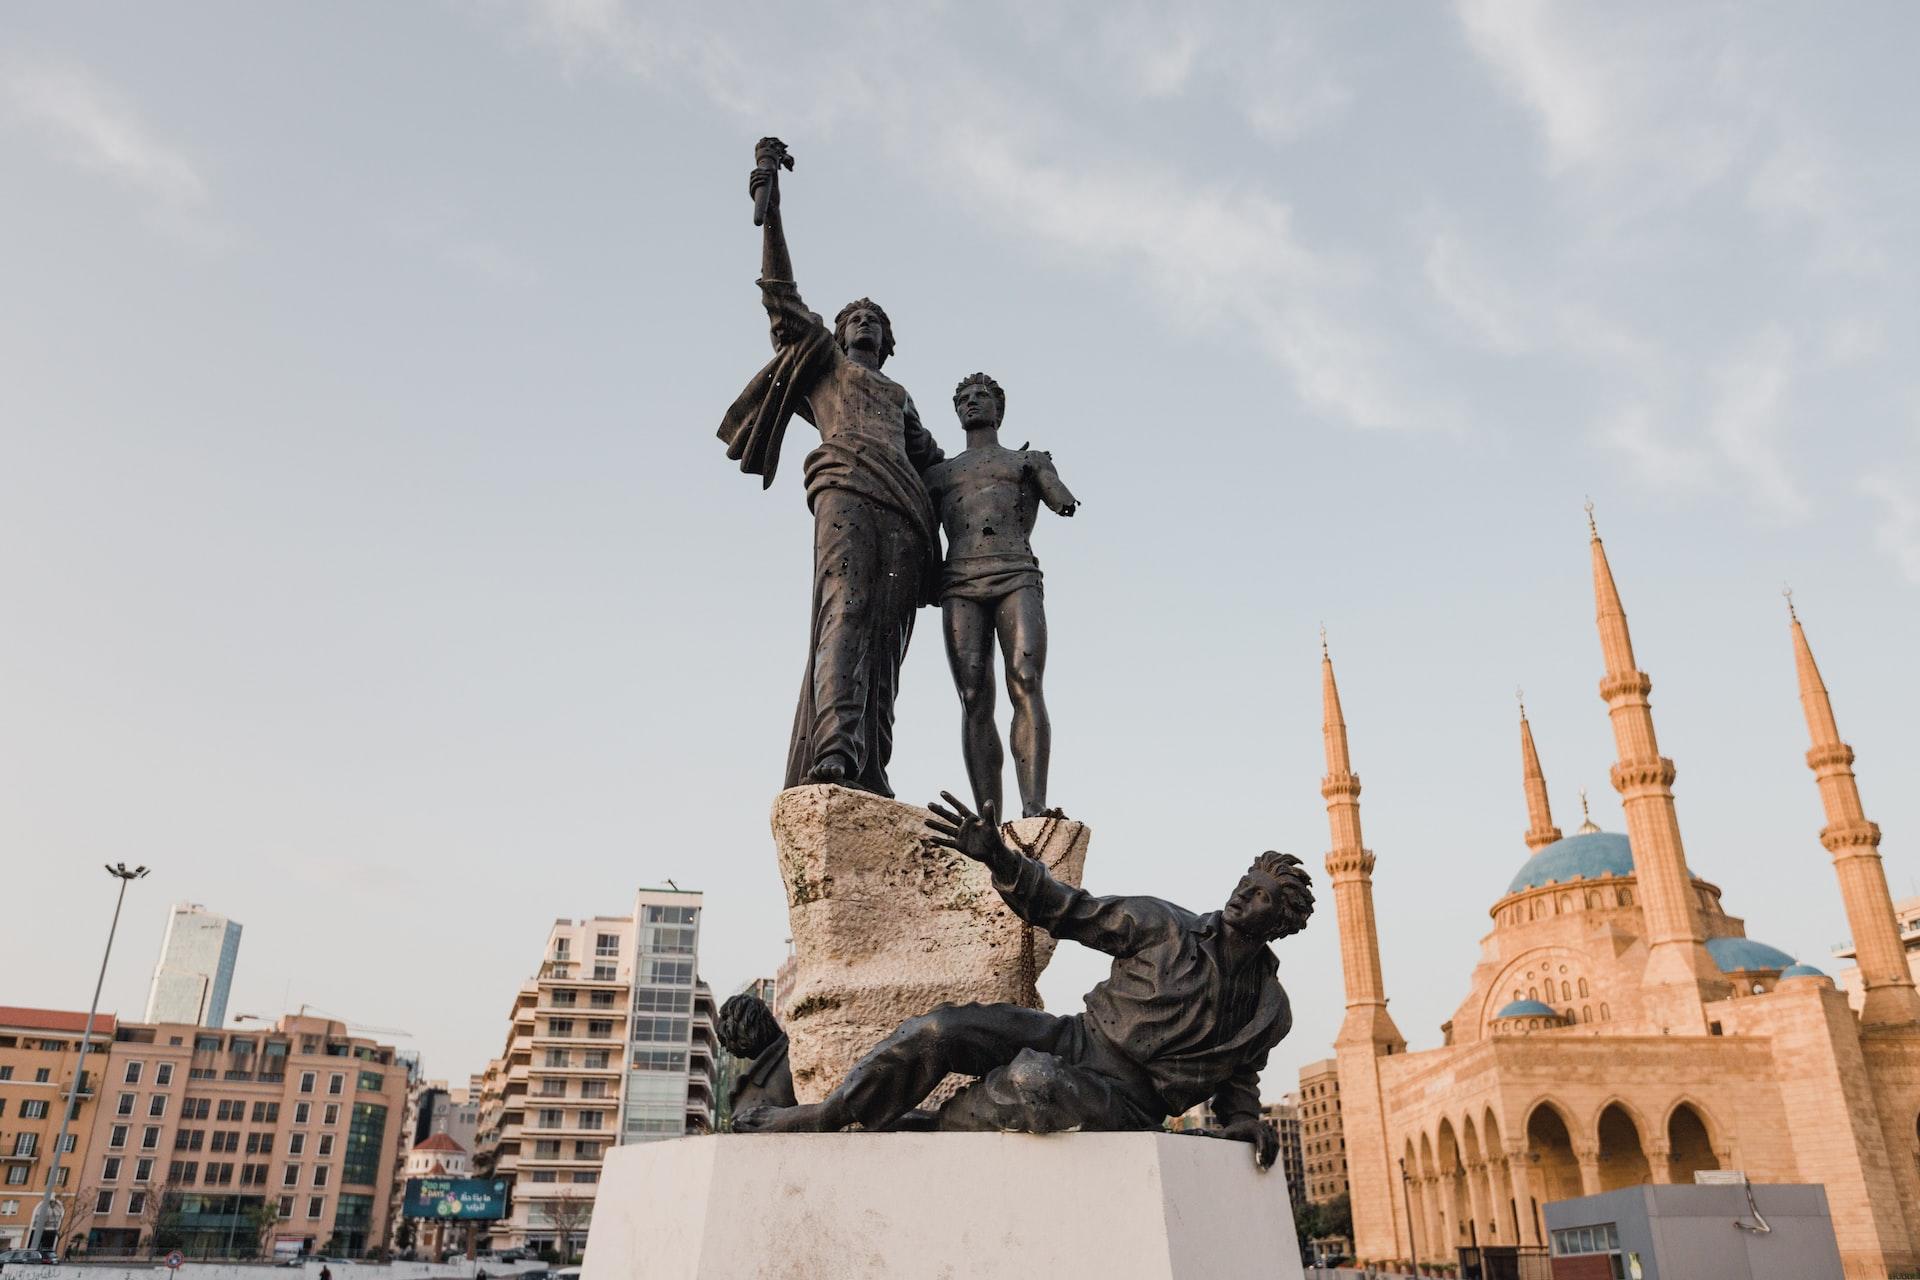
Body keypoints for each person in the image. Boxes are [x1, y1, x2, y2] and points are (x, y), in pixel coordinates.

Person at [736, 792, 1312, 1168]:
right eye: (1246, 882)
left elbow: (1241, 1073)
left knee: (1037, 1082)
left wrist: (1243, 1121)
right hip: (1074, 1037)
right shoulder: (1164, 925)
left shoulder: (1270, 1011)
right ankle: (830, 1113)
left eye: (1261, 896)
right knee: (945, 1027)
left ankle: (926, 1131)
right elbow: (1069, 910)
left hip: (1127, 1102)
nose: (1244, 896)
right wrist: (1001, 861)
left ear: (1278, 923)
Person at [719, 137, 946, 798]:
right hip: (846, 492)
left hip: (907, 517)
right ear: (841, 331)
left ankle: (870, 763)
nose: (866, 323)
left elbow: (940, 472)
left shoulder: (900, 400)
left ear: (890, 342)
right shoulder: (823, 363)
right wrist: (771, 199)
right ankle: (836, 752)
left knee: (885, 647)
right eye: (857, 316)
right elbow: (779, 293)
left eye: (877, 320)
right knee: (846, 612)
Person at [923, 373, 1078, 817]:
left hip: (1015, 572)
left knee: (1025, 680)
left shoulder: (1025, 460)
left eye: (981, 396)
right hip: (960, 581)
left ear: (999, 409)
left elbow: (1063, 501)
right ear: (956, 412)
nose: (972, 403)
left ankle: (1034, 806)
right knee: (974, 696)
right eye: (964, 399)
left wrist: (1043, 470)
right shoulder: (940, 474)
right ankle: (987, 813)